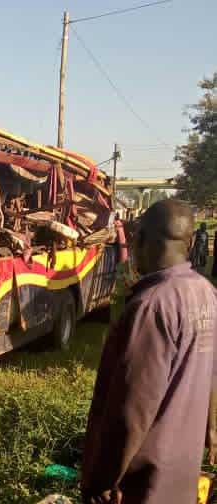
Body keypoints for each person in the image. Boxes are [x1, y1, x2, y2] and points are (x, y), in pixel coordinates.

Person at [81, 199, 217, 504]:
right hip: (181, 472)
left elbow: (132, 410)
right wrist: (211, 428)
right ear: (192, 242)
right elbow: (211, 373)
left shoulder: (151, 306)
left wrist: (101, 480)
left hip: (142, 483)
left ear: (140, 240)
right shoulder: (206, 293)